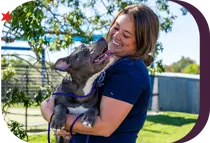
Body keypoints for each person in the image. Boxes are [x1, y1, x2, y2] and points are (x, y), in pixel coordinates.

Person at [40, 3, 159, 143]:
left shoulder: (130, 70)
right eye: (116, 28)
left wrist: (50, 115)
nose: (116, 36)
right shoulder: (108, 63)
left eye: (126, 35)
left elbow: (104, 127)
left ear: (141, 42)